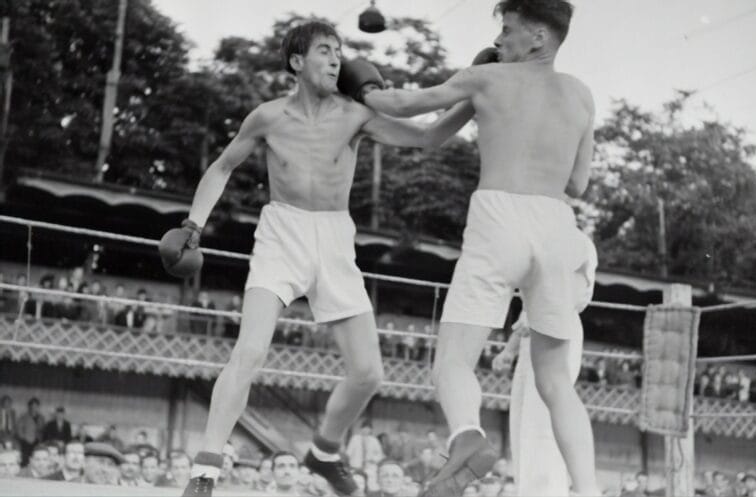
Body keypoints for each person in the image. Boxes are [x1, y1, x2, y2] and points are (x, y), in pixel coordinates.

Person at [162, 20, 475, 497]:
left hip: (334, 238)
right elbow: (223, 167)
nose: (336, 59)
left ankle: (324, 451)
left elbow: (427, 139)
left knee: (369, 372)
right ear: (296, 61)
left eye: (339, 51)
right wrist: (193, 225)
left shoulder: (354, 114)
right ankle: (205, 470)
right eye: (325, 51)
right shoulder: (267, 117)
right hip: (281, 234)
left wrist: (475, 94)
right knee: (250, 351)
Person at [361, 1, 599, 495]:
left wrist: (359, 85)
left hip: (500, 217)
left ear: (537, 36)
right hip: (558, 226)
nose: (499, 42)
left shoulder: (487, 78)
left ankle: (467, 436)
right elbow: (578, 184)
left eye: (508, 31)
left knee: (452, 361)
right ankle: (589, 488)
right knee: (556, 383)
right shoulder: (581, 95)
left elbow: (404, 106)